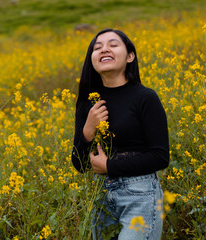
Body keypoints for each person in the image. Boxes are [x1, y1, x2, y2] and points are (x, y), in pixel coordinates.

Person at [71, 28, 169, 239]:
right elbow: (80, 165)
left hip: (141, 194)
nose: (104, 49)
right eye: (97, 48)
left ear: (130, 56)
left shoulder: (145, 98)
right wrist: (87, 132)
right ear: (92, 59)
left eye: (113, 45)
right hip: (101, 197)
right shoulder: (87, 104)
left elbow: (161, 157)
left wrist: (109, 166)